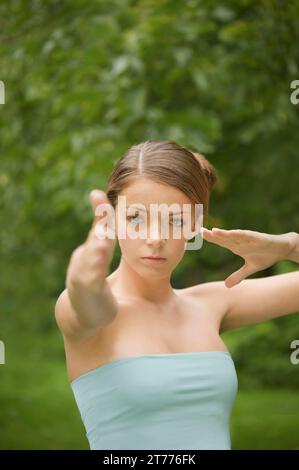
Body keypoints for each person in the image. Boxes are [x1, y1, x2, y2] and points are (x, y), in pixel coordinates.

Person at [55, 140, 299, 450]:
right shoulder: (87, 309)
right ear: (111, 219)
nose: (156, 239)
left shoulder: (214, 302)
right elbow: (90, 306)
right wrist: (82, 279)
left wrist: (289, 246)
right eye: (136, 218)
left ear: (194, 226)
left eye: (175, 220)